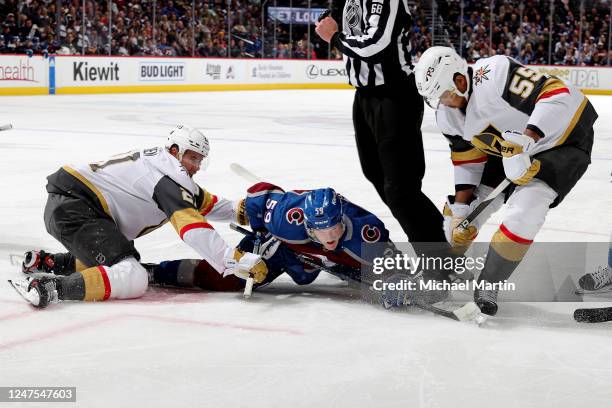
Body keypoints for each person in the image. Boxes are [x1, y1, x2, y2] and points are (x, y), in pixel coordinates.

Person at [413, 46, 597, 315]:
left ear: (459, 80)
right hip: (507, 147)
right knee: (459, 220)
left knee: (526, 211)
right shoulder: (448, 114)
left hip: (562, 142)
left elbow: (558, 94)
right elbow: (468, 159)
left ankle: (489, 283)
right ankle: (439, 273)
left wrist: (528, 139)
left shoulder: (494, 73)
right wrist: (463, 210)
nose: (442, 103)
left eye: (444, 95)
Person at [12, 125, 267, 308]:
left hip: (75, 204)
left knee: (117, 256)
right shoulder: (166, 178)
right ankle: (50, 288)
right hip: (76, 207)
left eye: (200, 160)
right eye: (192, 158)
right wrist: (231, 259)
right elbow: (191, 224)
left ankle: (47, 263)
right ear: (175, 150)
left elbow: (206, 203)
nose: (196, 167)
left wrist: (252, 209)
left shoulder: (165, 169)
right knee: (132, 275)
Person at [148, 183, 445, 307]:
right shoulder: (285, 217)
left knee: (353, 273)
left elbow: (395, 268)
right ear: (306, 225)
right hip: (283, 245)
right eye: (321, 232)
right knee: (228, 279)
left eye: (334, 229)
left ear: (343, 219)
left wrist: (399, 285)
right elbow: (258, 196)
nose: (330, 238)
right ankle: (156, 272)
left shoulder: (366, 234)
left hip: (326, 254)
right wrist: (264, 235)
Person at [314, 1, 448, 246]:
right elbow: (336, 24)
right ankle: (440, 244)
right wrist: (329, 23)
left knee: (400, 188)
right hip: (364, 96)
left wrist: (334, 37)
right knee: (376, 174)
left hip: (395, 96)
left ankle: (440, 261)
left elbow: (377, 45)